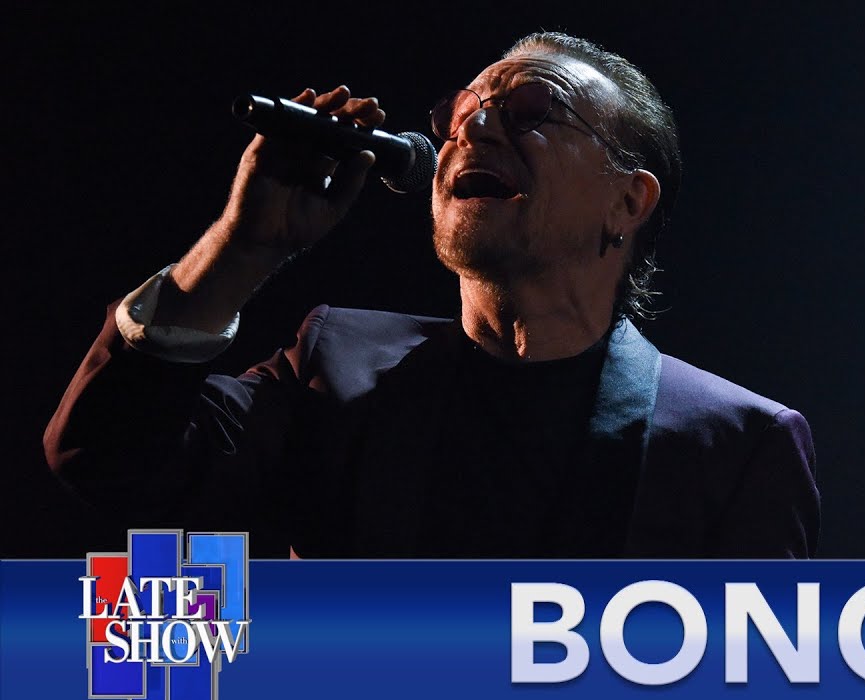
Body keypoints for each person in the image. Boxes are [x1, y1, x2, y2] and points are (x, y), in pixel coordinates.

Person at [44, 33, 819, 560]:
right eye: (459, 114)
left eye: (530, 112)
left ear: (628, 200)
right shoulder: (336, 364)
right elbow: (107, 460)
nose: (471, 130)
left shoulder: (737, 444)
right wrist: (242, 249)